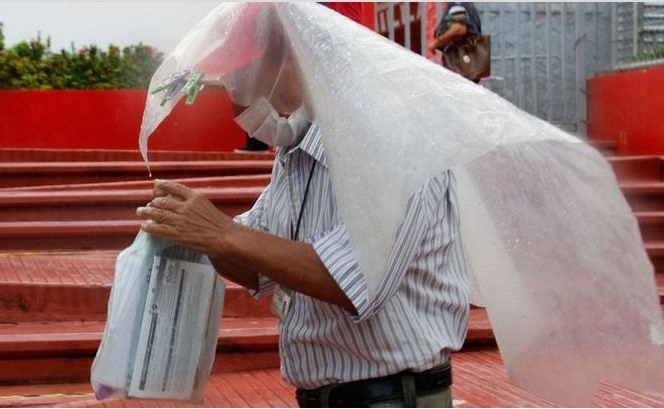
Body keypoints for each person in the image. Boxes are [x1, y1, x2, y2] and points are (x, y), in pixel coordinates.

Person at [137, 26, 469, 406]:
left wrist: (221, 233)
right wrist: (189, 231)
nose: (237, 108)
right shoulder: (298, 152)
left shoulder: (396, 139)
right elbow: (259, 260)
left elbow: (356, 279)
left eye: (243, 82)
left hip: (392, 396)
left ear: (296, 61)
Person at [429, 2, 483, 81]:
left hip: (459, 63)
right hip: (468, 64)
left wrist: (436, 43)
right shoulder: (466, 5)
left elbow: (460, 29)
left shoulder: (457, 4)